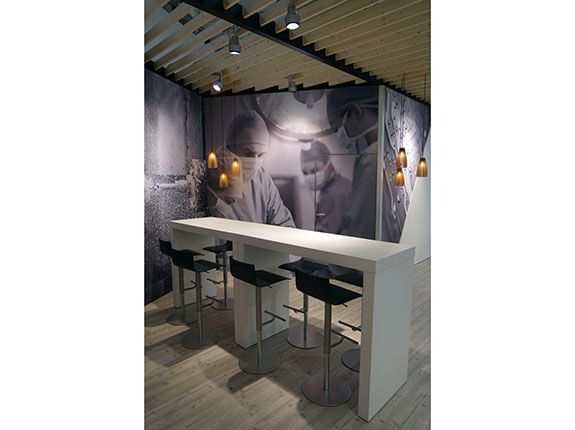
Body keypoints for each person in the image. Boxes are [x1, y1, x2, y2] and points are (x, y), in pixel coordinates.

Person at [207, 109, 295, 228]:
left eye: (261, 155)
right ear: (229, 146)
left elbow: (284, 224)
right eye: (248, 153)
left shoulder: (262, 178)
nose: (254, 162)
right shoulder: (209, 173)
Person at [326, 87, 380, 240]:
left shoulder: (372, 158)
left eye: (338, 129)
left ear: (356, 111)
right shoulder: (386, 151)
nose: (340, 139)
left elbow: (358, 231)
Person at [300, 140, 351, 234]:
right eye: (305, 173)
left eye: (314, 171)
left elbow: (324, 237)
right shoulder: (341, 183)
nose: (310, 177)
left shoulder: (332, 195)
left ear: (329, 166)